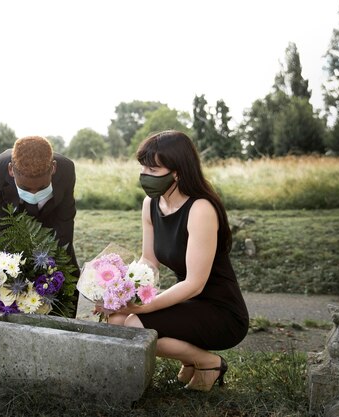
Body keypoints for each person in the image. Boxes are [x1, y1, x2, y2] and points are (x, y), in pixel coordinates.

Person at [102, 130, 249, 392]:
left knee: (135, 326)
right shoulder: (150, 204)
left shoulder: (200, 209)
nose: (145, 174)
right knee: (116, 321)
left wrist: (141, 309)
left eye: (153, 168)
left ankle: (209, 363)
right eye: (143, 167)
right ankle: (191, 360)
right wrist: (121, 295)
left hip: (220, 310)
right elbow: (149, 261)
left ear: (177, 172)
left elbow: (194, 284)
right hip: (188, 303)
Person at [0, 135, 80, 297]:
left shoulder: (66, 169)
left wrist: (56, 266)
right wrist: (15, 266)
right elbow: (1, 222)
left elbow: (66, 218)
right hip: (17, 224)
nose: (34, 193)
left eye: (42, 187)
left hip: (54, 222)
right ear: (11, 170)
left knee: (67, 281)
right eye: (25, 188)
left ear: (53, 168)